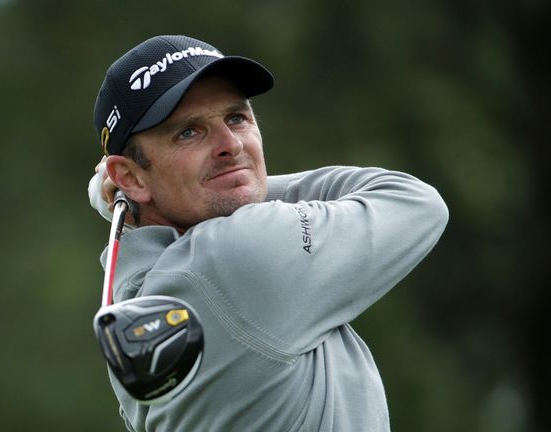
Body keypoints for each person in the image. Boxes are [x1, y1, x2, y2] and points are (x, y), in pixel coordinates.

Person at [88, 34, 449, 432]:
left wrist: (142, 194)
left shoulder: (134, 292)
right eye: (188, 132)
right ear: (128, 175)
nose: (230, 144)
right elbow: (414, 201)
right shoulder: (240, 255)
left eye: (237, 118)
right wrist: (239, 180)